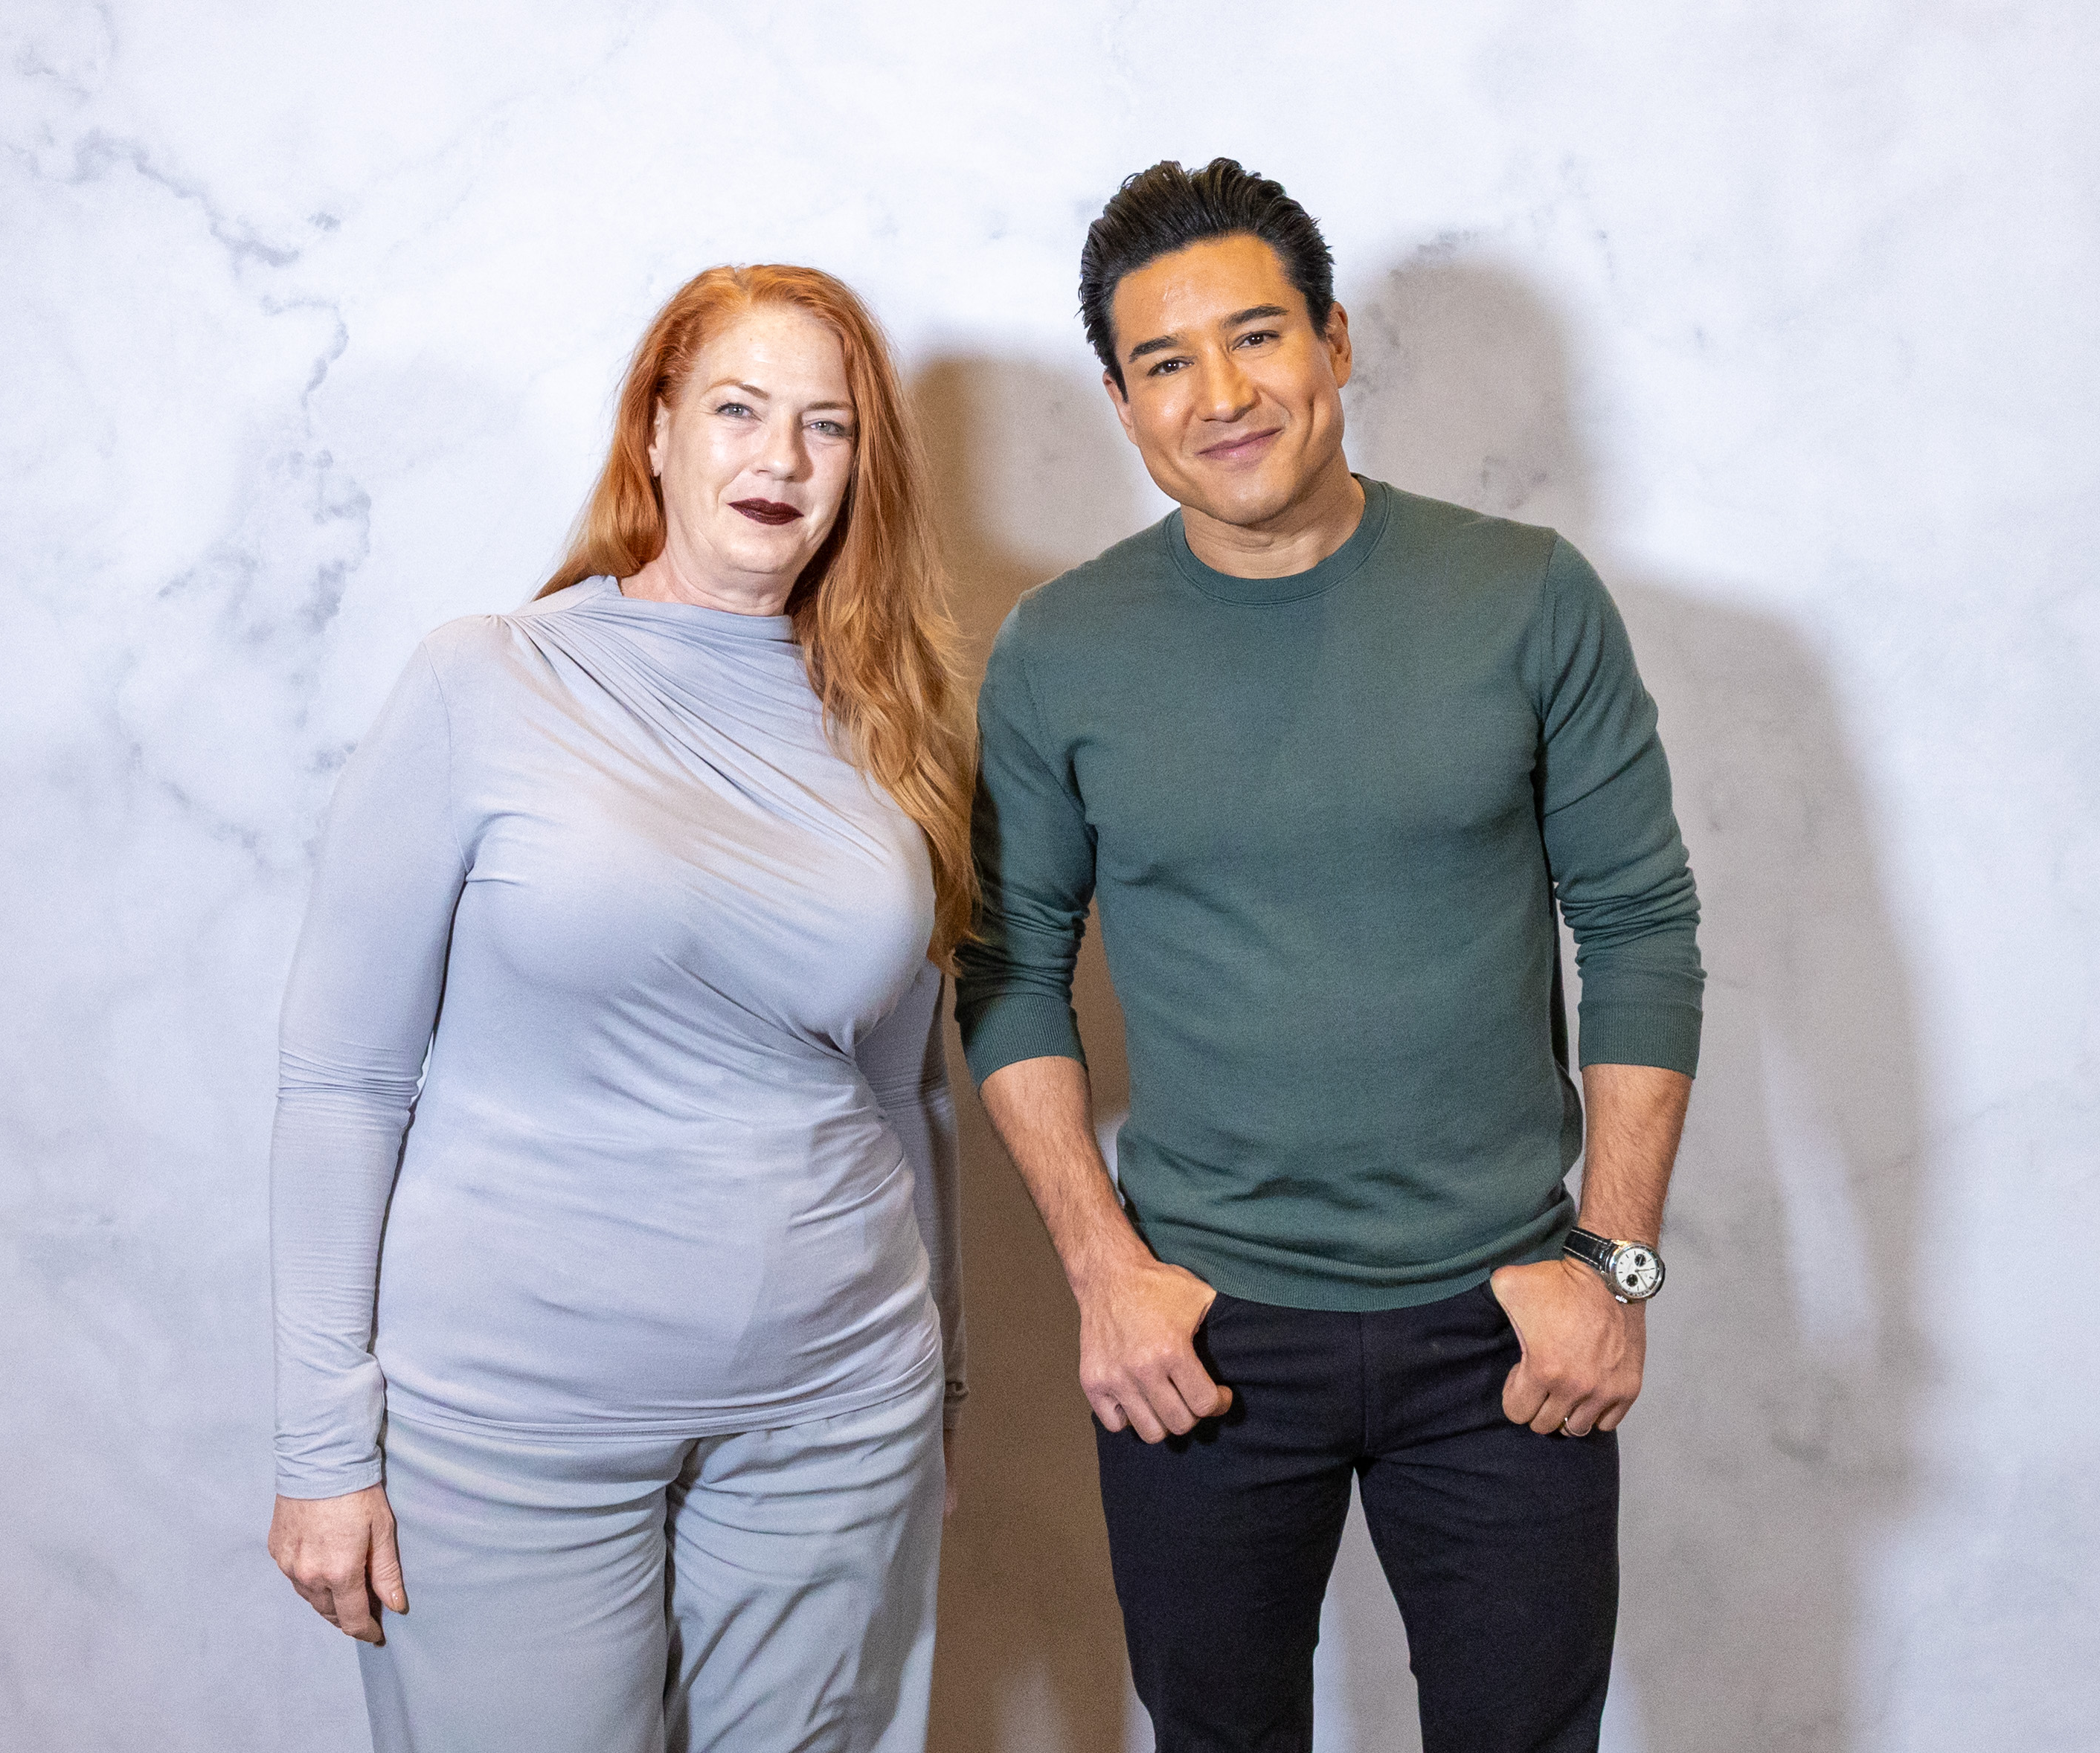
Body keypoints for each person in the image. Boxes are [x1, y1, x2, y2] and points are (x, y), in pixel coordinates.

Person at [956, 160, 1704, 1753]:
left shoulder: (1525, 598)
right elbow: (1009, 971)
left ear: (1334, 342)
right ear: (1120, 403)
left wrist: (1612, 1262)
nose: (1221, 395)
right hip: (1199, 1326)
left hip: (1505, 1321)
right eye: (1165, 362)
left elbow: (1640, 925)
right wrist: (1106, 1277)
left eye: (1256, 337)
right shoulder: (1061, 650)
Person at [265, 263, 972, 1753]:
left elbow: (906, 1089)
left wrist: (947, 1386)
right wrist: (322, 1443)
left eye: (827, 425)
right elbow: (344, 1079)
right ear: (654, 430)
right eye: (738, 409)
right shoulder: (486, 681)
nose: (781, 459)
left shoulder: (891, 725)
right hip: (510, 1425)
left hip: (839, 1415)